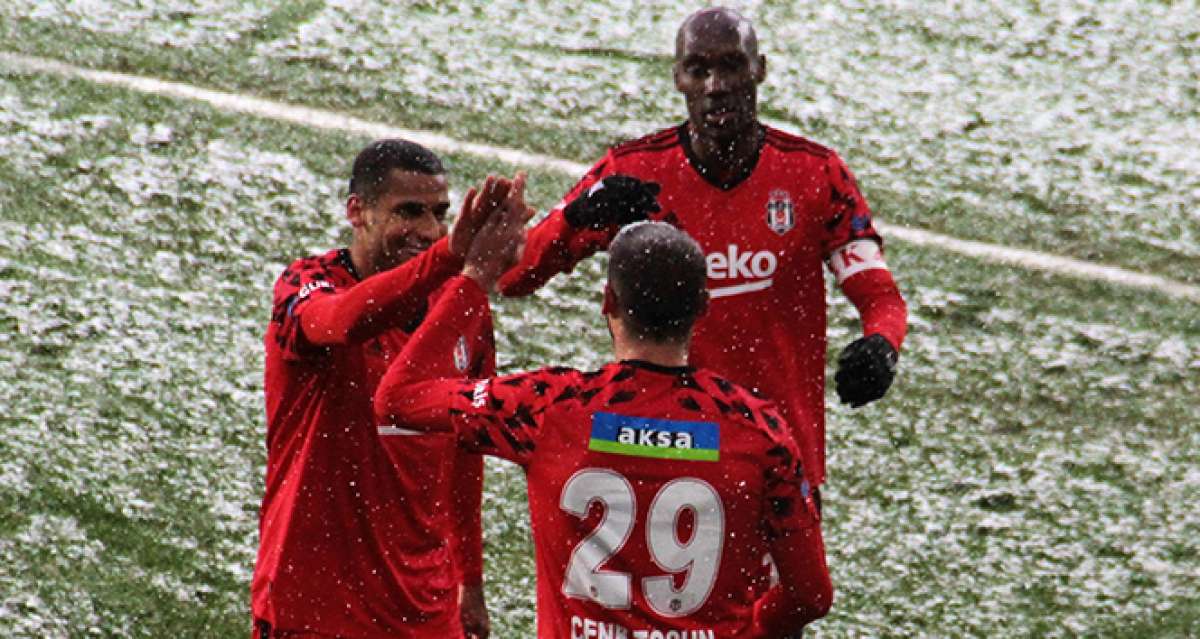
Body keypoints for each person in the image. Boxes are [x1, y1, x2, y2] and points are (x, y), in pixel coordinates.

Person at [497, 7, 908, 502]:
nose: (716, 85)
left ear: (760, 68)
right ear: (677, 78)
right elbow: (513, 278)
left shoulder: (815, 176)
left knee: (801, 586)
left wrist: (882, 344)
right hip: (665, 457)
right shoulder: (634, 172)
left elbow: (879, 296)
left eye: (732, 66)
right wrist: (575, 219)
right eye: (698, 69)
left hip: (776, 460)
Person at [375, 221, 834, 638]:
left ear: (608, 301)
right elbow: (810, 595)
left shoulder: (547, 408)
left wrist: (474, 278)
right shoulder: (757, 430)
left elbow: (399, 398)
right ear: (702, 308)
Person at [254, 138, 517, 638]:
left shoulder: (463, 312)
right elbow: (344, 321)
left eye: (439, 213)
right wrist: (451, 258)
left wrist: (471, 579)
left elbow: (466, 453)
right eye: (409, 212)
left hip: (425, 611)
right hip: (314, 608)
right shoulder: (308, 283)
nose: (429, 230)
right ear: (358, 211)